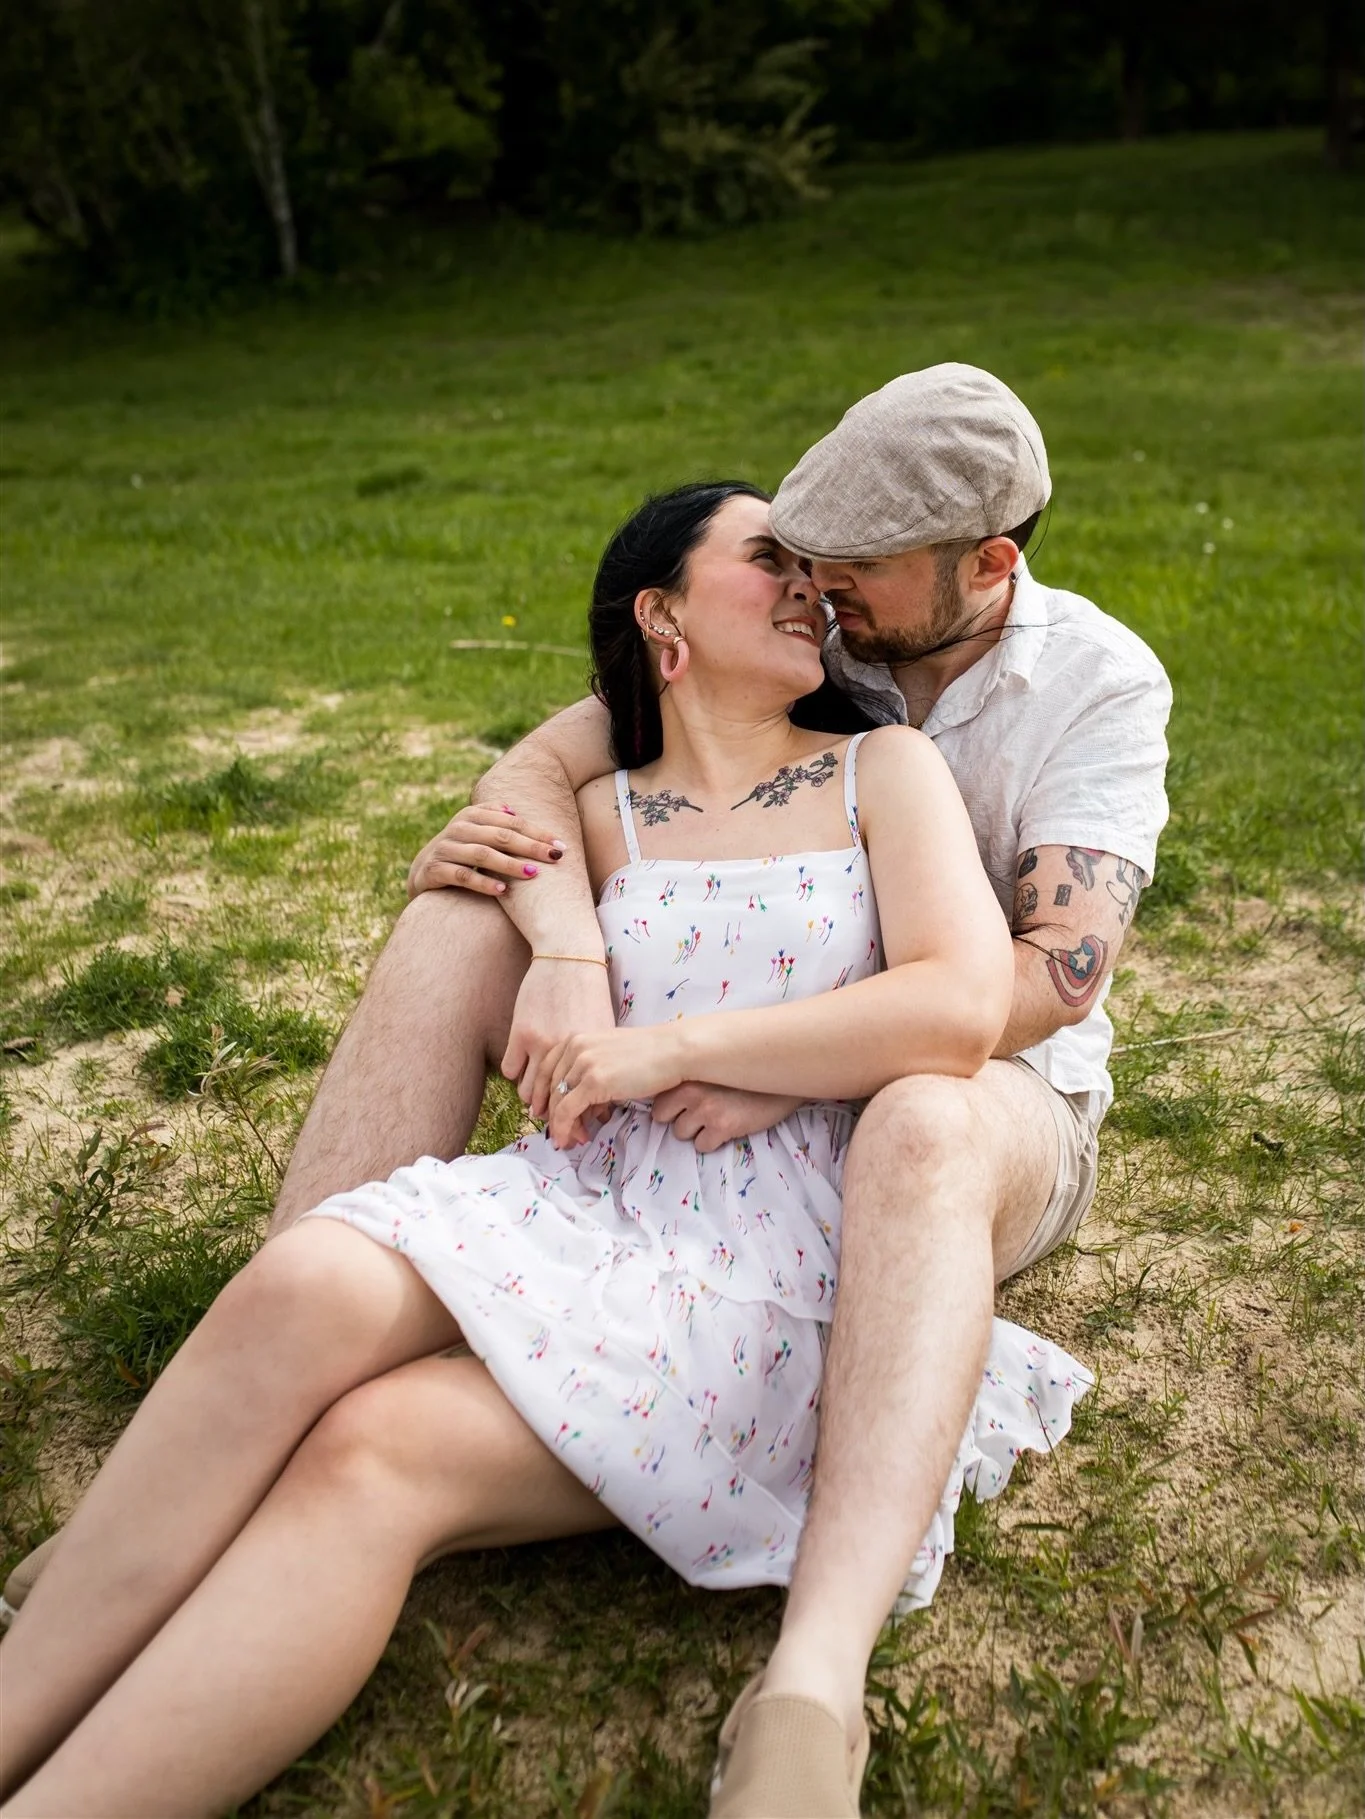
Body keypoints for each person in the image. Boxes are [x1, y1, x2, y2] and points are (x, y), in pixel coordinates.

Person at [0, 480, 1092, 1819]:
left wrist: (676, 1049)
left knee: (374, 1448)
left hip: (785, 1253)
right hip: (594, 1198)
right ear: (662, 616)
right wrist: (559, 945)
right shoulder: (596, 812)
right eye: (768, 560)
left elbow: (959, 1005)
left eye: (811, 567)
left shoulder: (885, 772)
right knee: (304, 1278)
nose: (808, 586)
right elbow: (509, 812)